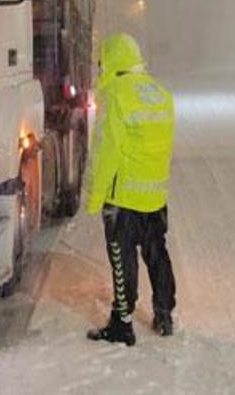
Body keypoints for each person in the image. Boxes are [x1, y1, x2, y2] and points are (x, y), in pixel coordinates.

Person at [85, 33, 177, 347]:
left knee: (123, 259)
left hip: (123, 196)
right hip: (155, 193)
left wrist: (96, 196)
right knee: (157, 253)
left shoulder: (115, 95)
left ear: (112, 59)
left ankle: (122, 324)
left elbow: (107, 150)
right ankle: (164, 313)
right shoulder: (160, 93)